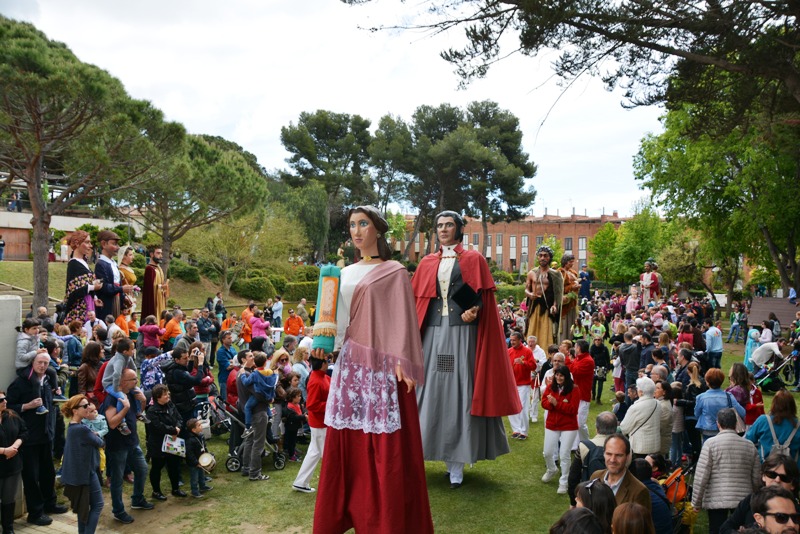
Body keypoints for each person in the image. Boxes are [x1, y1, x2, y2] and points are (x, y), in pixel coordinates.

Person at [314, 206, 433, 533]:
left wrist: (401, 360)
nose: (357, 230)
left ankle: (383, 517)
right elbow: (337, 323)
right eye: (352, 224)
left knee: (383, 448)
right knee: (349, 443)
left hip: (383, 369)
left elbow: (403, 321)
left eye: (363, 223)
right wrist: (323, 336)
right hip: (350, 364)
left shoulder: (394, 271)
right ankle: (344, 511)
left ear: (377, 229)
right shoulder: (342, 272)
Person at [412, 210, 519, 490]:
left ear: (459, 229)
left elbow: (481, 299)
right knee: (430, 391)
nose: (444, 229)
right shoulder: (426, 262)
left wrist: (475, 310)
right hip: (432, 334)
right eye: (439, 226)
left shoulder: (473, 259)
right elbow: (417, 304)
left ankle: (457, 463)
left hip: (462, 336)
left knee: (461, 390)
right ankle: (426, 450)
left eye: (449, 225)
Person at [6, 353, 68, 526]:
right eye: (39, 362)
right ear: (32, 363)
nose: (42, 366)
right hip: (29, 438)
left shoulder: (47, 380)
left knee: (48, 472)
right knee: (32, 477)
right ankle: (35, 513)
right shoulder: (20, 383)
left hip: (46, 436)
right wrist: (27, 406)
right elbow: (8, 407)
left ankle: (50, 503)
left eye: (46, 363)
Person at [693, 408, 761, 534]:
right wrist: (757, 496)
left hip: (717, 497)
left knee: (716, 529)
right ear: (735, 424)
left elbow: (701, 476)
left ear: (718, 423)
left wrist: (696, 502)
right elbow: (756, 476)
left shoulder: (710, 444)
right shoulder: (749, 445)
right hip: (743, 499)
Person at [102, 369, 153, 524]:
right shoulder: (112, 399)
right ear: (122, 381)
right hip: (117, 445)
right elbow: (112, 423)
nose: (136, 381)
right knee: (117, 480)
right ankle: (118, 510)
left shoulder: (131, 393)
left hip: (132, 441)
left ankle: (137, 499)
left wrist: (143, 401)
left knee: (142, 469)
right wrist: (124, 408)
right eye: (133, 379)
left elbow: (138, 414)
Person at [721, 453, 800, 533]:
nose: (777, 480)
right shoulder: (750, 500)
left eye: (784, 478)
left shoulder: (796, 507)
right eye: (771, 475)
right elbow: (725, 528)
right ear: (763, 476)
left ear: (793, 484)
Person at [61, 395, 104, 534]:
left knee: (83, 509)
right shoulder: (82, 430)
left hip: (78, 475)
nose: (89, 408)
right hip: (86, 474)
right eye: (85, 406)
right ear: (75, 411)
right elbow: (100, 443)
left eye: (88, 405)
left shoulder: (73, 427)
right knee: (97, 505)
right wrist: (96, 435)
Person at [292, 355, 330, 493]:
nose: (329, 363)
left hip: (321, 422)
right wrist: (331, 405)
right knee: (326, 454)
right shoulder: (316, 379)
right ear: (323, 363)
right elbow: (312, 404)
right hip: (320, 423)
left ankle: (301, 482)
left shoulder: (321, 376)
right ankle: (329, 484)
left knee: (314, 452)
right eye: (327, 361)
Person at [541, 365, 581, 494]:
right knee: (547, 452)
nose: (558, 377)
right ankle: (552, 469)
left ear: (566, 376)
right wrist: (552, 404)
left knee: (564, 454)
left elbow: (573, 409)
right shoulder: (550, 387)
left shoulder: (574, 389)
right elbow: (544, 403)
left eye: (561, 375)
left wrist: (556, 404)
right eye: (557, 375)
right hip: (552, 424)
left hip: (569, 426)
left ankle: (564, 482)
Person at [568, 411, 619, 507]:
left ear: (596, 428)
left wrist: (573, 502)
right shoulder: (625, 448)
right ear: (616, 427)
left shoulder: (584, 446)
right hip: (616, 498)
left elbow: (573, 477)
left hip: (588, 496)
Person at [590, 434, 652, 512]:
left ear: (628, 457)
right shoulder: (595, 476)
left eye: (618, 455)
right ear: (604, 454)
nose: (612, 460)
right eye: (609, 454)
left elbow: (641, 523)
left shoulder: (639, 491)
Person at [145, 385, 184, 500]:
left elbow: (179, 418)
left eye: (168, 393)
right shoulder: (152, 411)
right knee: (157, 467)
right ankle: (156, 491)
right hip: (158, 444)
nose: (168, 395)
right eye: (165, 394)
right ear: (158, 397)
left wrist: (178, 427)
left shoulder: (170, 405)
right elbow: (157, 427)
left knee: (174, 466)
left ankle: (175, 489)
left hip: (173, 441)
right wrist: (173, 430)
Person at [236, 351, 270, 482]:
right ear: (243, 359)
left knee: (250, 441)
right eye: (250, 356)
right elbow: (259, 394)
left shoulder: (242, 373)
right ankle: (255, 473)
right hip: (258, 412)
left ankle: (246, 468)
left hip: (249, 413)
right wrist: (269, 398)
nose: (253, 358)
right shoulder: (248, 375)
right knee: (258, 443)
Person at [525, 245, 564, 346]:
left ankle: (547, 353)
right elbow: (526, 289)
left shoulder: (556, 274)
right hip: (534, 307)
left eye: (545, 255)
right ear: (538, 257)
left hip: (547, 308)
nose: (542, 258)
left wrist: (555, 305)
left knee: (546, 333)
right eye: (540, 255)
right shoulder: (531, 273)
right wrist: (530, 295)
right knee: (532, 331)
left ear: (550, 257)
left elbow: (558, 293)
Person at [63, 231, 104, 325]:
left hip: (88, 308)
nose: (90, 245)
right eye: (87, 242)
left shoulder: (84, 263)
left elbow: (86, 285)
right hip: (78, 313)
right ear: (77, 243)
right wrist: (93, 287)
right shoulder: (73, 264)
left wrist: (94, 298)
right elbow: (73, 292)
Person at [747, 390, 800, 461]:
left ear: (774, 404)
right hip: (792, 469)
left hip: (764, 468)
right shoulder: (798, 425)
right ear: (792, 406)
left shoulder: (763, 420)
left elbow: (747, 440)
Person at [695, 367, 745, 443]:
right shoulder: (729, 396)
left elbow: (696, 414)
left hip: (708, 429)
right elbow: (742, 412)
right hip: (725, 430)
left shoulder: (701, 398)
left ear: (707, 382)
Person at [0, 390, 26, 534]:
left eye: (5, 399)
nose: (5, 401)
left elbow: (24, 432)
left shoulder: (12, 416)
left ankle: (8, 528)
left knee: (8, 498)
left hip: (12, 466)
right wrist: (5, 451)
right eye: (1, 400)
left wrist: (15, 446)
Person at [619, 377, 662, 458]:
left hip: (640, 447)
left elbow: (624, 428)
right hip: (655, 445)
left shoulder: (635, 407)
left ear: (641, 392)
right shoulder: (658, 404)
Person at [94, 230, 132, 320]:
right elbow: (104, 287)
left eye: (117, 244)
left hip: (117, 300)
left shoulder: (113, 263)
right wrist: (121, 289)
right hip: (107, 304)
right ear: (104, 244)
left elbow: (117, 283)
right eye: (114, 244)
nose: (118, 247)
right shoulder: (100, 264)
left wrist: (123, 298)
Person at [508, 332, 536, 440]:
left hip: (523, 384)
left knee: (523, 407)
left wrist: (523, 362)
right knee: (511, 406)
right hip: (512, 384)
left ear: (520, 340)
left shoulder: (527, 351)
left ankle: (524, 431)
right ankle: (516, 429)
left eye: (514, 340)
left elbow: (533, 366)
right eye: (511, 340)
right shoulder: (508, 351)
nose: (512, 342)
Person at [184, 418, 212, 498]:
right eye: (199, 425)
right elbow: (189, 453)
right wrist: (196, 462)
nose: (201, 426)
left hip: (201, 460)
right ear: (193, 429)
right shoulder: (190, 440)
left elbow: (203, 446)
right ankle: (195, 491)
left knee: (201, 474)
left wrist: (206, 454)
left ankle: (203, 486)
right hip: (194, 463)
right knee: (194, 477)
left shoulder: (200, 436)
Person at [141, 246, 168, 322]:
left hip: (161, 298)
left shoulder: (158, 268)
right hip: (154, 301)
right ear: (151, 254)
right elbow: (149, 288)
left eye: (161, 253)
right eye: (158, 253)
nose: (161, 256)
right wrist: (161, 286)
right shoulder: (149, 269)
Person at [559, 253, 581, 342]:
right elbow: (559, 289)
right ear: (565, 262)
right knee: (565, 326)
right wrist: (572, 287)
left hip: (573, 302)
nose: (572, 264)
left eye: (573, 262)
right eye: (570, 262)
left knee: (573, 324)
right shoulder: (560, 272)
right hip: (565, 304)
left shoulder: (573, 272)